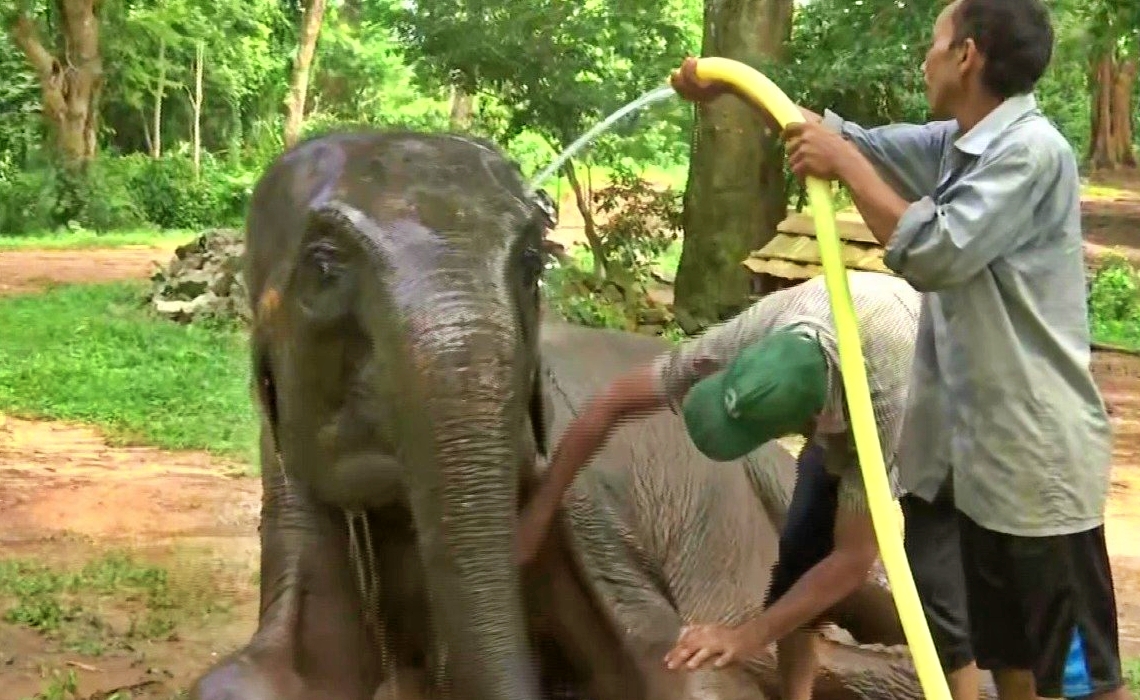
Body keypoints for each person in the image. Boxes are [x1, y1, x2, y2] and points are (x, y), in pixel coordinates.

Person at [662, 0, 1129, 699]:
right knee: (1014, 663)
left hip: (1039, 469)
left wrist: (846, 164)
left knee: (1081, 678)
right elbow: (830, 137)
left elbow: (936, 251)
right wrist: (725, 80)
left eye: (935, 42)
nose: (925, 56)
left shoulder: (1031, 152)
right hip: (978, 466)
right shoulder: (956, 145)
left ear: (966, 56)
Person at [517, 270, 922, 700]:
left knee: (941, 587)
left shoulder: (884, 413)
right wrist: (540, 511)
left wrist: (746, 637)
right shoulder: (751, 333)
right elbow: (611, 403)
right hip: (843, 330)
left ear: (809, 423)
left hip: (933, 390)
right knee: (797, 567)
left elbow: (853, 559)